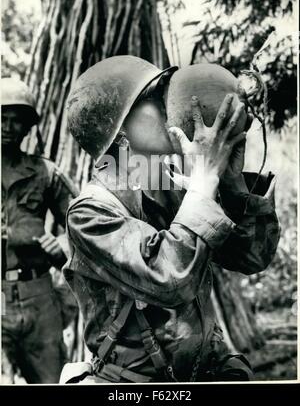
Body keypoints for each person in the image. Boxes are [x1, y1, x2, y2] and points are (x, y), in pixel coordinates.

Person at [61, 55, 280, 383]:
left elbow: (252, 256)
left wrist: (233, 185)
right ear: (120, 134)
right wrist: (204, 184)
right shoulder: (88, 214)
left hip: (206, 372)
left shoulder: (170, 186)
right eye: (154, 99)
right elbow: (169, 279)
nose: (169, 104)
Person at [1, 78, 78, 384]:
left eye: (16, 121)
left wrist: (61, 245)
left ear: (27, 127)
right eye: (1, 118)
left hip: (39, 294)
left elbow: (84, 224)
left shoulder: (45, 173)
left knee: (52, 379)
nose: (7, 127)